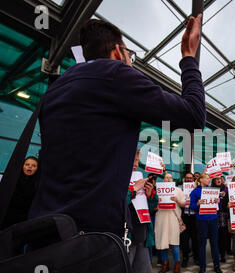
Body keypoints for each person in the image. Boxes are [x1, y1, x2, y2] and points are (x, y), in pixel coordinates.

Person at [28, 15, 205, 245]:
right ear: (117, 52)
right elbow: (193, 115)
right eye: (129, 56)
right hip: (91, 239)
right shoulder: (115, 74)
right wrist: (189, 58)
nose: (130, 62)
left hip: (44, 232)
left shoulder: (55, 89)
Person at [189, 173, 223, 273]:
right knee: (202, 244)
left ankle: (217, 266)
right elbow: (192, 206)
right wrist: (197, 204)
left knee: (214, 243)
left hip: (213, 218)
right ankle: (202, 267)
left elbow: (218, 205)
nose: (209, 180)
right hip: (201, 220)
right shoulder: (195, 192)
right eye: (207, 178)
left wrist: (218, 201)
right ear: (201, 180)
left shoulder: (212, 190)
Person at [154, 173, 186, 273]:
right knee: (163, 241)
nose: (168, 179)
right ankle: (165, 264)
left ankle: (177, 264)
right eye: (166, 177)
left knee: (174, 242)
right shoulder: (157, 191)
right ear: (163, 180)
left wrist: (176, 200)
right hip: (161, 218)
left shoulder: (178, 190)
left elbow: (183, 204)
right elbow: (153, 207)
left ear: (173, 180)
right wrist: (156, 203)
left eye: (170, 177)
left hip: (173, 218)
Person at [0, 156, 40, 230]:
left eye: (33, 166)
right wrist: (1, 192)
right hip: (8, 218)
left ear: (37, 169)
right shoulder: (12, 179)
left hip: (26, 221)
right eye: (27, 164)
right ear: (22, 166)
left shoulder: (38, 183)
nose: (30, 167)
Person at [180, 172, 199, 267]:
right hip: (184, 217)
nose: (188, 179)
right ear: (184, 179)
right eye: (187, 178)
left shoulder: (196, 189)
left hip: (194, 217)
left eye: (190, 178)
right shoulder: (180, 189)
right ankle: (185, 258)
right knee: (184, 240)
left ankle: (196, 258)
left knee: (195, 239)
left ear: (193, 179)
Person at [212, 177, 230, 263]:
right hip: (213, 214)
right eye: (216, 179)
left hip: (223, 214)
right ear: (214, 181)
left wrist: (224, 198)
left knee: (223, 235)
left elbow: (229, 201)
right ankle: (216, 253)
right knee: (215, 235)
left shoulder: (226, 190)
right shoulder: (210, 189)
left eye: (220, 179)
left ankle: (223, 254)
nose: (219, 180)